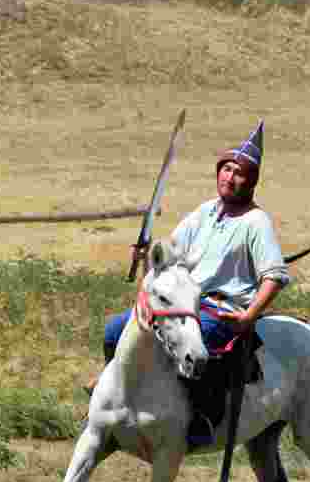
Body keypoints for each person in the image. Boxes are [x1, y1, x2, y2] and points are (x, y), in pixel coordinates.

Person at [86, 120, 291, 446]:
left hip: (223, 310)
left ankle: (199, 420)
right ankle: (114, 392)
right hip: (186, 301)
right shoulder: (206, 211)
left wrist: (249, 316)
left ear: (251, 182)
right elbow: (171, 252)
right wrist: (147, 250)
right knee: (115, 329)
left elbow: (275, 276)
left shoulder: (256, 221)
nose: (230, 177)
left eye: (239, 173)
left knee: (198, 346)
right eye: (226, 169)